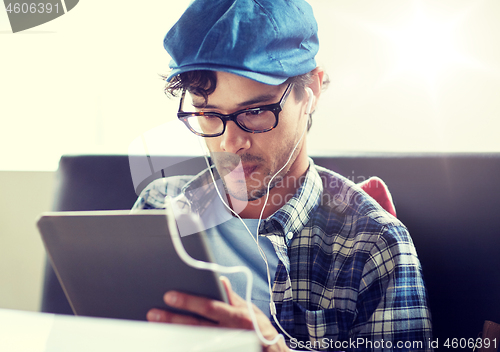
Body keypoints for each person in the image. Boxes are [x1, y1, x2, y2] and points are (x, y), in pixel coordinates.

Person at [132, 0, 432, 350]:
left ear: (312, 92)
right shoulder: (158, 205)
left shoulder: (374, 244)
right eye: (208, 113)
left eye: (256, 110)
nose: (231, 143)